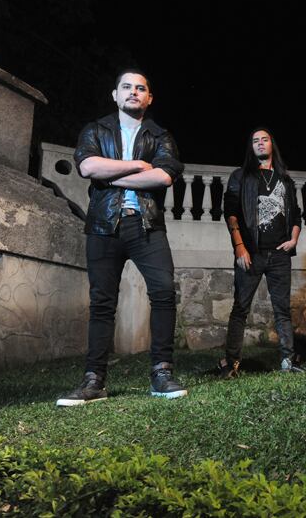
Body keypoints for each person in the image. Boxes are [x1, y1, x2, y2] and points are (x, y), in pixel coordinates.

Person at [58, 69, 186, 406]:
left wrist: (111, 175)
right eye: (126, 87)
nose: (133, 92)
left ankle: (161, 373)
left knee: (163, 293)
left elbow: (163, 177)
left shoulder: (160, 135)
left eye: (140, 88)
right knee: (102, 303)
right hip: (103, 225)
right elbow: (88, 167)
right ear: (115, 95)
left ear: (149, 98)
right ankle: (94, 381)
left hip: (146, 225)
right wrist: (139, 166)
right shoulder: (95, 130)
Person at [219, 128, 303, 378]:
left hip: (279, 255)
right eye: (255, 141)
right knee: (240, 308)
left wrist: (293, 239)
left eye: (264, 139)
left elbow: (296, 214)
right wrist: (239, 247)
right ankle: (231, 363)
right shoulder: (241, 176)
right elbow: (231, 212)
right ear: (251, 147)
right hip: (251, 252)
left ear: (271, 144)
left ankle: (288, 361)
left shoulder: (285, 180)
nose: (260, 143)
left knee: (282, 310)